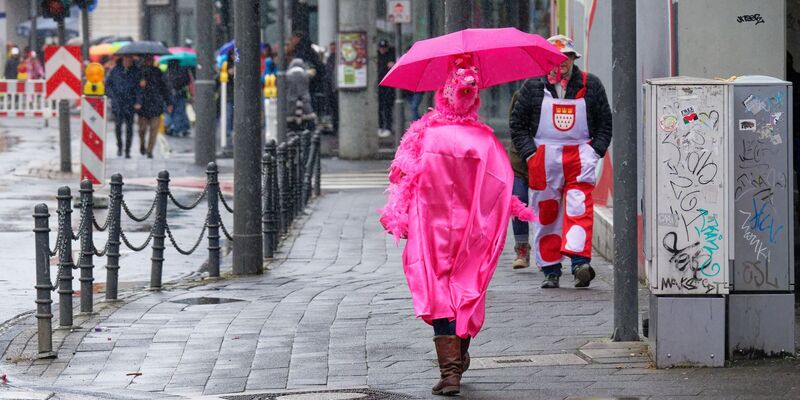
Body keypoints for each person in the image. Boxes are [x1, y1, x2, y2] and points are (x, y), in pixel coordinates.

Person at [379, 54, 536, 396]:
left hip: (430, 233)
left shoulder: (423, 137)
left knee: (438, 294)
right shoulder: (484, 142)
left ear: (441, 95)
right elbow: (501, 187)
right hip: (472, 233)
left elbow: (400, 177)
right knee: (465, 290)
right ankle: (458, 355)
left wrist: (400, 216)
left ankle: (450, 372)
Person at [510, 35, 612, 289]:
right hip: (544, 158)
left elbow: (605, 124)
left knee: (579, 209)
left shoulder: (592, 84)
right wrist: (531, 154)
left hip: (580, 156)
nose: (561, 62)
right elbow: (518, 125)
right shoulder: (532, 86)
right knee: (547, 212)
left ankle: (580, 264)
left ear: (573, 59)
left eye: (566, 57)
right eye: (555, 57)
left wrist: (594, 152)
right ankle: (550, 269)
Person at [507, 91, 532, 269]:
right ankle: (521, 248)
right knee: (519, 200)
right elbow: (513, 126)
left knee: (548, 208)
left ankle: (549, 255)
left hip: (547, 159)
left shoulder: (556, 96)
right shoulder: (521, 95)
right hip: (519, 161)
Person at [134, 55, 172, 159]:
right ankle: (142, 144)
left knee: (154, 130)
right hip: (143, 106)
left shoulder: (158, 72)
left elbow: (165, 88)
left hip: (156, 105)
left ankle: (150, 150)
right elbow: (134, 89)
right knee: (142, 129)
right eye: (147, 59)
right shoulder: (139, 72)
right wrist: (140, 88)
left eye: (151, 59)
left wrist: (169, 102)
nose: (149, 61)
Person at [106, 56, 140, 158]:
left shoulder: (135, 72)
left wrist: (138, 101)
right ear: (123, 60)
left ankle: (127, 150)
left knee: (129, 128)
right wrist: (112, 96)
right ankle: (120, 147)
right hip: (118, 103)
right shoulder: (115, 70)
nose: (128, 62)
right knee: (118, 126)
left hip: (130, 103)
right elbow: (108, 84)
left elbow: (138, 89)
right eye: (126, 60)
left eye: (130, 60)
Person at [164, 59, 192, 137]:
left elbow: (163, 83)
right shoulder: (182, 71)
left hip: (168, 95)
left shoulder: (166, 72)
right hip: (180, 94)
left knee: (168, 112)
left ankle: (168, 126)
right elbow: (187, 81)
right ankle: (176, 129)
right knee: (178, 112)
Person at [286, 58, 315, 131]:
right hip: (305, 104)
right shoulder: (305, 75)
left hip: (291, 105)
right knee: (307, 129)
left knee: (292, 128)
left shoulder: (287, 75)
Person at [377, 39, 396, 137]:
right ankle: (380, 126)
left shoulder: (391, 56)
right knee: (379, 108)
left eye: (384, 48)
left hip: (388, 86)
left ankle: (388, 127)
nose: (382, 50)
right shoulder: (376, 56)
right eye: (381, 48)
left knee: (387, 107)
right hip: (379, 86)